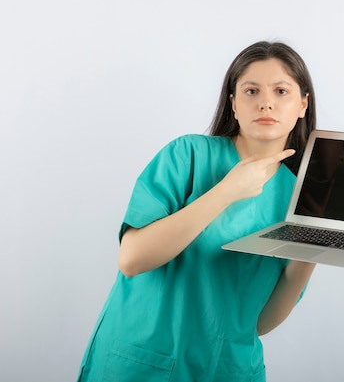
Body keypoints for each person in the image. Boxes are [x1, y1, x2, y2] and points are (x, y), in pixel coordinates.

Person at [76, 41, 317, 382]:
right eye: (251, 91)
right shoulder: (186, 156)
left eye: (281, 91)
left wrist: (308, 258)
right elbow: (132, 258)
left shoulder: (300, 201)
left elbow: (258, 323)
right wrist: (227, 191)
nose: (266, 102)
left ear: (303, 104)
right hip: (141, 363)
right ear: (233, 103)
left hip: (228, 369)